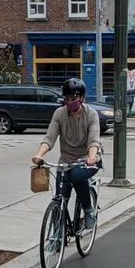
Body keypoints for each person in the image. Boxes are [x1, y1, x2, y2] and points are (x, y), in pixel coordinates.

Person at [32, 77, 102, 229]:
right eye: (67, 98)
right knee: (60, 198)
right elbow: (49, 138)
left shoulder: (91, 115)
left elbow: (93, 140)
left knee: (76, 175)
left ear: (82, 98)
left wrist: (91, 157)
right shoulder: (59, 114)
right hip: (65, 162)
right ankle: (56, 238)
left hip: (88, 160)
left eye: (74, 98)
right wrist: (39, 155)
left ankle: (89, 210)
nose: (70, 101)